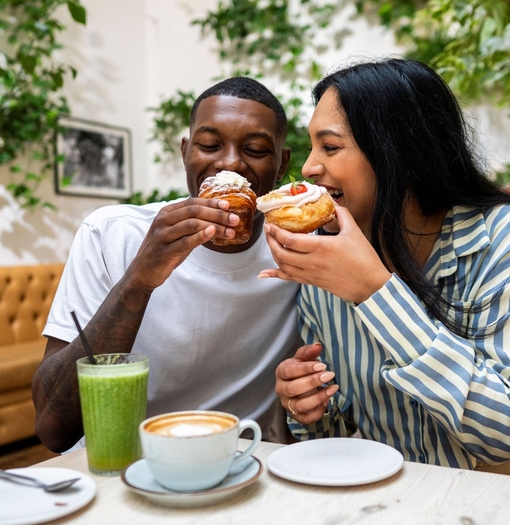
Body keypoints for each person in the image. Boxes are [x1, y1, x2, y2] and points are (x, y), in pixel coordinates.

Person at [260, 57, 510, 469]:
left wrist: (375, 291)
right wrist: (309, 403)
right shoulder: (321, 259)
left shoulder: (497, 241)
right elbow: (335, 434)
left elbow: (501, 436)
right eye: (311, 146)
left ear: (402, 154)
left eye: (331, 146)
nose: (308, 168)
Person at [33, 77, 300, 453]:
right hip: (118, 465)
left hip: (234, 464)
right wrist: (138, 280)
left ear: (281, 162)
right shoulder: (112, 234)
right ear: (186, 152)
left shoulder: (299, 249)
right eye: (209, 145)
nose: (229, 163)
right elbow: (52, 427)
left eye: (255, 149)